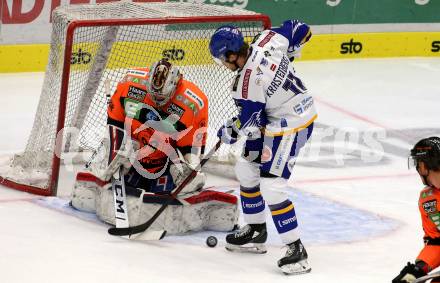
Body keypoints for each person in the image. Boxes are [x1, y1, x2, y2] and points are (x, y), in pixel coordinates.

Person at [71, 59, 238, 234]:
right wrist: (117, 150)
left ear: (175, 86)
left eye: (161, 97)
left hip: (165, 162)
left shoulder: (194, 103)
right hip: (133, 155)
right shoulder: (130, 84)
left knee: (186, 183)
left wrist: (189, 169)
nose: (157, 100)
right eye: (154, 95)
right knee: (104, 164)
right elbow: (114, 124)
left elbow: (191, 150)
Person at [209, 20, 317, 275]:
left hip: (291, 124)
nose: (224, 66)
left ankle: (296, 249)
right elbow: (299, 28)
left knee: (272, 187)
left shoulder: (247, 84)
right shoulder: (267, 39)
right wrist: (291, 54)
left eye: (223, 60)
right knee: (246, 168)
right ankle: (256, 231)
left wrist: (228, 131)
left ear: (233, 55)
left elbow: (250, 122)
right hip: (274, 118)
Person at [392, 137, 440, 283]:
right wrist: (418, 269)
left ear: (423, 167)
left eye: (417, 164)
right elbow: (436, 242)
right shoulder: (429, 200)